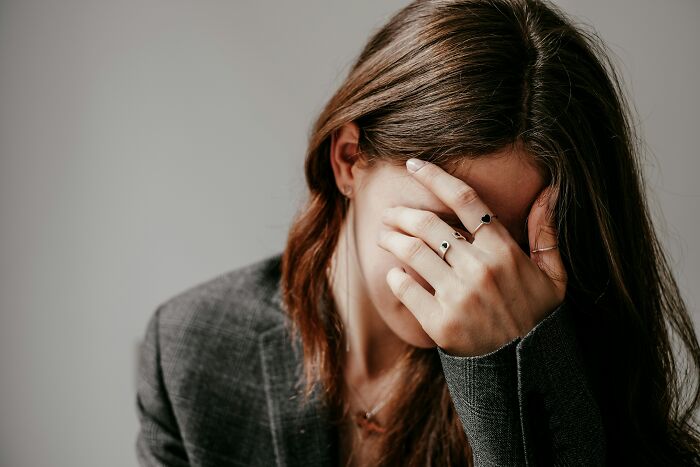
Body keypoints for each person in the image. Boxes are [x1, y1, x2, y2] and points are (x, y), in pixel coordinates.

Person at [135, 0, 700, 465]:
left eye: (514, 243)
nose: (480, 277)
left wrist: (510, 368)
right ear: (349, 160)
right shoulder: (191, 351)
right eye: (446, 227)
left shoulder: (577, 381)